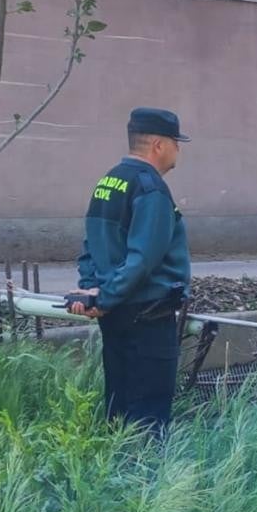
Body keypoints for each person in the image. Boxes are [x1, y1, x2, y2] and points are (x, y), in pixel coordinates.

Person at [68, 108, 191, 435]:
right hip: (147, 315)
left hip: (115, 314)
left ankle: (114, 476)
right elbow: (143, 258)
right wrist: (104, 297)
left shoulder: (109, 181)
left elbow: (90, 244)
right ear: (159, 145)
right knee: (149, 413)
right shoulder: (151, 189)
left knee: (118, 405)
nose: (179, 149)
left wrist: (92, 291)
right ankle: (148, 483)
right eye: (176, 142)